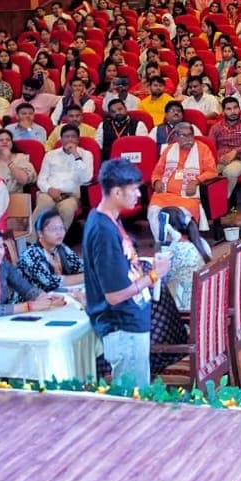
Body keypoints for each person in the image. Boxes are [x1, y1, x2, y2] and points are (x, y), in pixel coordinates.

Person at [83, 158, 168, 386]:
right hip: (121, 323)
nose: (139, 195)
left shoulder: (110, 219)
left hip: (131, 318)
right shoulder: (102, 231)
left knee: (138, 392)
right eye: (134, 190)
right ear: (117, 192)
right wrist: (153, 276)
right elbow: (114, 295)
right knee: (133, 399)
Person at [153, 204, 215, 307]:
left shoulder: (175, 250)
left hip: (186, 304)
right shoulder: (200, 242)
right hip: (204, 299)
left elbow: (161, 277)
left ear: (167, 227)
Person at [38, 124, 93, 228]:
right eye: (67, 136)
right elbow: (41, 179)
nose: (70, 139)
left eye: (73, 136)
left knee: (66, 209)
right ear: (61, 139)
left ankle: (57, 241)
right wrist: (49, 189)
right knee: (44, 205)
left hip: (71, 196)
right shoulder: (50, 155)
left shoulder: (87, 155)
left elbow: (87, 178)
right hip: (49, 192)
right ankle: (31, 241)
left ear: (78, 139)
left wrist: (76, 156)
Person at [19, 208, 84, 295]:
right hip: (31, 302)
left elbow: (80, 267)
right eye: (54, 229)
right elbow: (51, 282)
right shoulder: (31, 254)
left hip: (55, 297)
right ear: (40, 233)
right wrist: (87, 276)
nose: (59, 232)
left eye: (61, 227)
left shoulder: (62, 248)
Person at [0, 129, 36, 193]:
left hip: (14, 197)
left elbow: (24, 180)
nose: (4, 142)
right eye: (0, 140)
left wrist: (8, 161)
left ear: (11, 143)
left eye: (8, 140)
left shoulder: (21, 158)